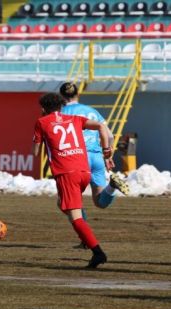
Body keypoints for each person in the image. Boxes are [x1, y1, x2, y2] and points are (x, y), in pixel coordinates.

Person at [32, 93, 111, 268]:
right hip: (84, 171)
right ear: (61, 107)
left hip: (67, 173)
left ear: (43, 109)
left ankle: (97, 252)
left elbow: (36, 153)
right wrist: (107, 150)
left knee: (75, 217)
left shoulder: (42, 122)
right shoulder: (74, 119)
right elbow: (101, 126)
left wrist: (37, 140)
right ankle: (86, 234)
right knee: (62, 204)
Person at [60, 82, 130, 211]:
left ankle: (82, 228)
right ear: (78, 94)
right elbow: (109, 136)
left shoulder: (60, 113)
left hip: (77, 157)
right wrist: (108, 156)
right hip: (97, 157)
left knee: (67, 201)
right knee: (100, 202)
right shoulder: (91, 111)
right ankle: (112, 186)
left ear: (61, 96)